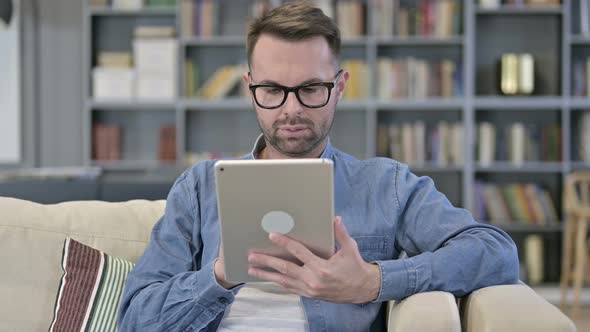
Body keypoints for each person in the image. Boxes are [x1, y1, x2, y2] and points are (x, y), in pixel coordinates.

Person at [118, 1, 519, 331]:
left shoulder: (385, 185)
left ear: (339, 86)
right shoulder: (199, 188)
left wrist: (372, 282)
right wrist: (218, 275)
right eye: (273, 89)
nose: (291, 109)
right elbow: (136, 318)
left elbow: (495, 253)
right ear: (250, 89)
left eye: (310, 88)